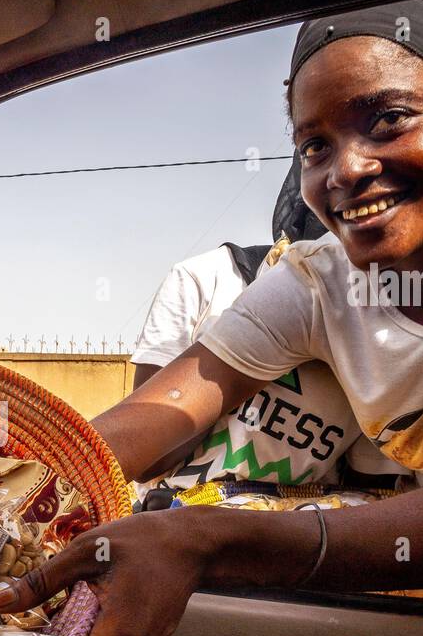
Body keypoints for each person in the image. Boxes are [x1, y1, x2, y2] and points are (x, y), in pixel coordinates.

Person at [0, 0, 423, 636]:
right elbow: (160, 414)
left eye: (391, 118)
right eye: (315, 144)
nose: (345, 170)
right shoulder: (320, 280)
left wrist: (210, 540)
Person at [130, 161, 403, 497]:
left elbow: (370, 489)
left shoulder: (388, 336)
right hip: (174, 514)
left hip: (299, 531)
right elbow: (146, 460)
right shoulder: (206, 280)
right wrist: (257, 343)